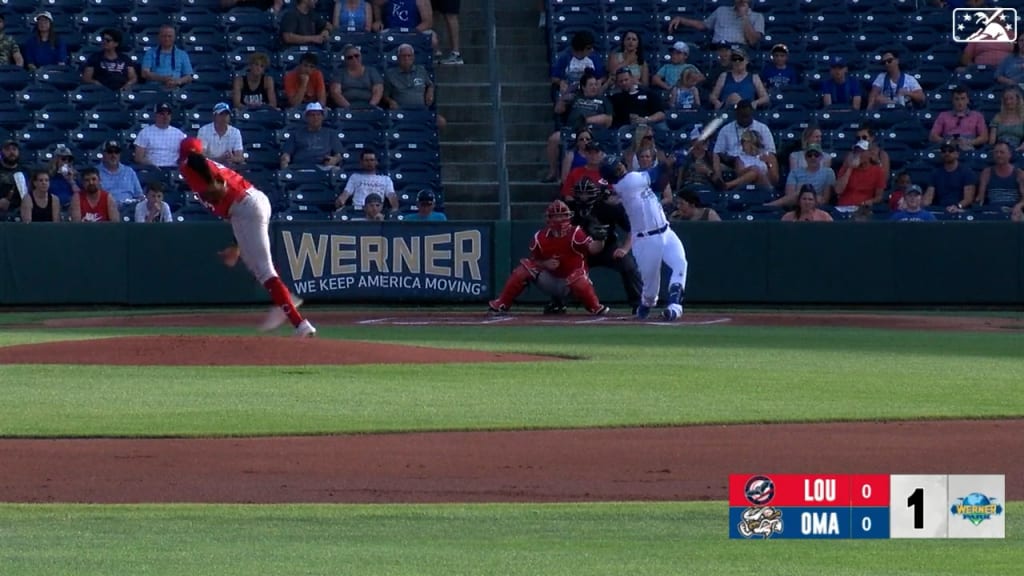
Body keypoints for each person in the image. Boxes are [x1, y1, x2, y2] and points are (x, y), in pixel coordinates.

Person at [178, 137, 316, 337]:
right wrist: (236, 245)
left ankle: (299, 322)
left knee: (264, 271)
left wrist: (211, 179)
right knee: (258, 267)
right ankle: (285, 301)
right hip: (248, 205)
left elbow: (195, 160)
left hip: (246, 206)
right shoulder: (201, 166)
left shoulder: (191, 163)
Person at [599, 154, 689, 321]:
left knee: (680, 263)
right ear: (612, 174)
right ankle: (645, 307)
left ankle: (675, 306)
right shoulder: (628, 182)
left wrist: (672, 167)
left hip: (665, 231)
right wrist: (672, 160)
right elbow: (656, 171)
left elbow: (659, 182)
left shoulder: (632, 180)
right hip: (645, 240)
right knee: (650, 289)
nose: (621, 167)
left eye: (619, 164)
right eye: (616, 168)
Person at [487, 199, 610, 317]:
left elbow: (593, 249)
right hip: (551, 280)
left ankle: (595, 306)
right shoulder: (539, 237)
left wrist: (600, 239)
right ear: (549, 218)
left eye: (563, 216)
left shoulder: (575, 232)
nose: (560, 220)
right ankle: (501, 303)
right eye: (556, 216)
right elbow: (534, 261)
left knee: (577, 278)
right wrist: (545, 264)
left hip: (572, 283)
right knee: (524, 269)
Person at [554, 178, 643, 314]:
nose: (583, 198)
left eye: (587, 194)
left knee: (628, 266)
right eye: (580, 194)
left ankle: (638, 303)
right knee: (562, 266)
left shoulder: (609, 208)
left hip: (608, 247)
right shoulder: (569, 208)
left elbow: (634, 229)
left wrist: (624, 249)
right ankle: (558, 302)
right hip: (581, 249)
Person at [134, 102, 188, 169]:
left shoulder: (179, 134)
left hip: (173, 169)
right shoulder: (145, 132)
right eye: (162, 114)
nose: (165, 117)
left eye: (168, 114)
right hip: (152, 169)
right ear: (155, 115)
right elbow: (138, 158)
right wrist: (151, 165)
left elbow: (185, 157)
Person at [81, 28, 137, 92]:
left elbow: (133, 77)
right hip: (101, 92)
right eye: (103, 39)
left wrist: (127, 85)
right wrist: (97, 84)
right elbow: (86, 78)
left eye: (108, 40)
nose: (104, 42)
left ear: (116, 44)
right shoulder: (95, 57)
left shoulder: (125, 58)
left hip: (122, 90)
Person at [140, 25, 194, 90]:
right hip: (154, 89)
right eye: (164, 36)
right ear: (159, 37)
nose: (167, 39)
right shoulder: (150, 52)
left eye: (169, 36)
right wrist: (162, 79)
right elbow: (144, 73)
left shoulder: (182, 54)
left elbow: (189, 77)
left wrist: (177, 81)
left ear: (174, 37)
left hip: (175, 89)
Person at [97, 140, 144, 205]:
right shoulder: (95, 172)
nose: (113, 155)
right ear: (103, 154)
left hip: (129, 209)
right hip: (106, 208)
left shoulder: (129, 171)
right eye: (110, 152)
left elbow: (139, 196)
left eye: (116, 152)